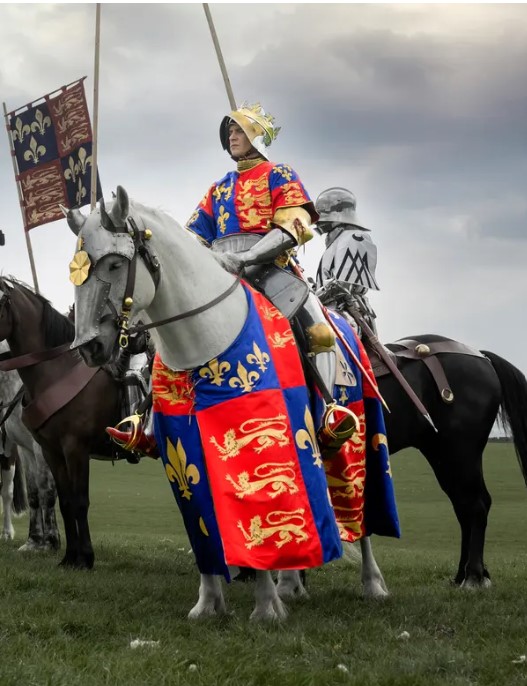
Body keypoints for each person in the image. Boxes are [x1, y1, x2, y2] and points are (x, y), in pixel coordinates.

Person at [186, 102, 357, 453]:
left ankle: (328, 411)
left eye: (239, 130)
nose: (232, 137)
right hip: (222, 272)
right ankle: (148, 418)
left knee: (318, 329)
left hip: (270, 270)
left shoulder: (279, 174)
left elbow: (296, 224)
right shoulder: (218, 188)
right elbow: (195, 235)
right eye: (229, 132)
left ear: (257, 136)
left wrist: (249, 257)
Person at [314, 187, 380, 335]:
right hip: (327, 309)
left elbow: (343, 285)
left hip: (346, 313)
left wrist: (311, 298)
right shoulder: (336, 241)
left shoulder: (355, 237)